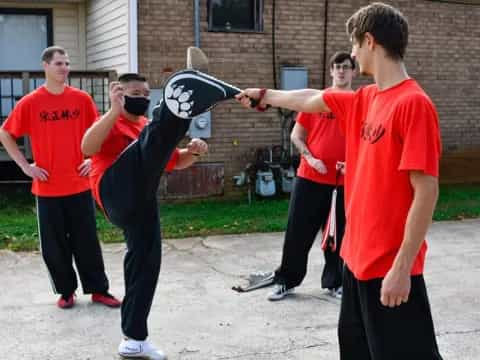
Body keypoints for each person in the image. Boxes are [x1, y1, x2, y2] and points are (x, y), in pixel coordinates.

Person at [237, 3, 443, 359]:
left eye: (354, 45)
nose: (351, 53)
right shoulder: (366, 98)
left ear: (369, 41)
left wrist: (402, 267)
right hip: (355, 261)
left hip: (388, 269)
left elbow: (426, 192)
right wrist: (266, 96)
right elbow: (314, 99)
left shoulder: (414, 104)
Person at [81, 73, 210, 360]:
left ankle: (134, 339)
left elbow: (176, 163)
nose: (141, 97)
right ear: (120, 94)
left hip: (140, 201)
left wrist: (193, 152)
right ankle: (182, 105)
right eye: (135, 93)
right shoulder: (112, 122)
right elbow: (87, 148)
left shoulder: (146, 129)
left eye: (146, 93)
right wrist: (113, 111)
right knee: (149, 140)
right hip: (115, 191)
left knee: (146, 263)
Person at [0, 46, 120, 309]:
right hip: (47, 188)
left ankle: (99, 290)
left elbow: (98, 133)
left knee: (87, 242)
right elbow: (5, 133)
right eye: (59, 64)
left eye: (67, 63)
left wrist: (93, 159)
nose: (64, 68)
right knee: (54, 247)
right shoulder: (31, 102)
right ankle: (66, 292)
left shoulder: (81, 99)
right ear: (45, 66)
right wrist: (25, 166)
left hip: (79, 184)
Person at [268, 52, 355, 301]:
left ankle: (335, 283)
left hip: (342, 182)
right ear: (330, 71)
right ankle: (286, 280)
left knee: (337, 236)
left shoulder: (359, 103)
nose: (341, 71)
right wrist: (310, 157)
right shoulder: (317, 100)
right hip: (310, 177)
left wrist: (353, 163)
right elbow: (297, 135)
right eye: (337, 67)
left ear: (353, 72)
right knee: (298, 232)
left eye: (346, 67)